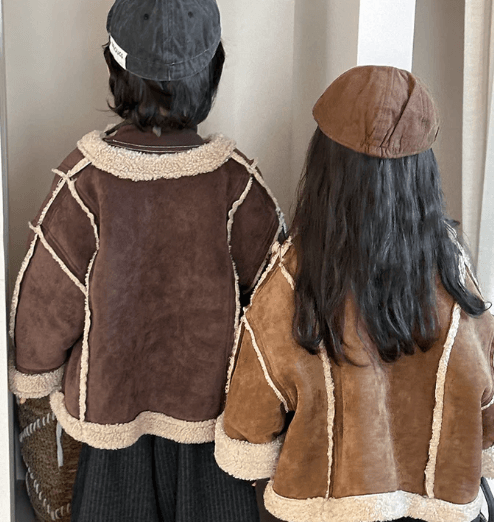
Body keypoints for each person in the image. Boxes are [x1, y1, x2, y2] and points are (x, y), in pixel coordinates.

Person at [9, 1, 284, 521]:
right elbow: (275, 306)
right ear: (214, 70)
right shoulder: (238, 186)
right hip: (213, 424)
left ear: (115, 72)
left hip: (111, 417)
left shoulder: (85, 182)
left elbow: (46, 300)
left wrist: (35, 372)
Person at [214, 65, 494, 522]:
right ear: (424, 171)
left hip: (321, 511)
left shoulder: (293, 279)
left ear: (324, 168)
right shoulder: (455, 278)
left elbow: (250, 425)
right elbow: (485, 407)